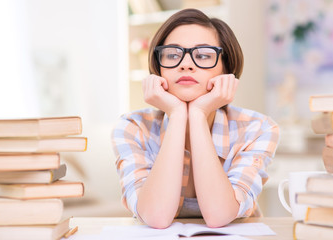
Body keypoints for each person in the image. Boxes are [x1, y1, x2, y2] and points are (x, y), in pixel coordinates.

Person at [112, 8, 279, 229]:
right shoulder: (132, 128)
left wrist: (198, 114)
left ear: (226, 69)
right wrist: (178, 114)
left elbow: (219, 215)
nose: (186, 64)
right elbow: (155, 216)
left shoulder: (257, 128)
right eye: (172, 54)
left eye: (203, 55)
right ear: (158, 68)